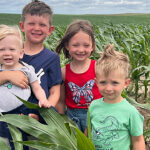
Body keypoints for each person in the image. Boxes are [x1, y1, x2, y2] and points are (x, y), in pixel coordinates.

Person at [0, 0, 62, 119]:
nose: (37, 28)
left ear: (50, 30)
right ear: (22, 26)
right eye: (31, 23)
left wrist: (46, 112)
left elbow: (55, 91)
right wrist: (7, 75)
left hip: (36, 115)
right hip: (8, 114)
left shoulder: (52, 58)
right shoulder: (7, 53)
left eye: (42, 25)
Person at [0, 24, 52, 148]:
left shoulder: (27, 69)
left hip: (24, 107)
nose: (7, 53)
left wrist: (43, 99)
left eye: (12, 49)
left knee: (48, 112)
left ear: (21, 53)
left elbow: (37, 88)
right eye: (1, 49)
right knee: (15, 138)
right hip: (5, 113)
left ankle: (35, 122)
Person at [86, 44, 145, 150]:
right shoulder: (93, 106)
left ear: (126, 83)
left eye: (114, 83)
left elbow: (138, 140)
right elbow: (88, 132)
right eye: (103, 82)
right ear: (96, 82)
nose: (108, 88)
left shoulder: (130, 112)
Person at [55, 19, 102, 133]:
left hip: (96, 117)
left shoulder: (99, 68)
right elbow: (60, 101)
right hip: (72, 119)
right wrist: (61, 122)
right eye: (75, 45)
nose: (81, 50)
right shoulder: (63, 72)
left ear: (92, 46)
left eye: (86, 45)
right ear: (67, 45)